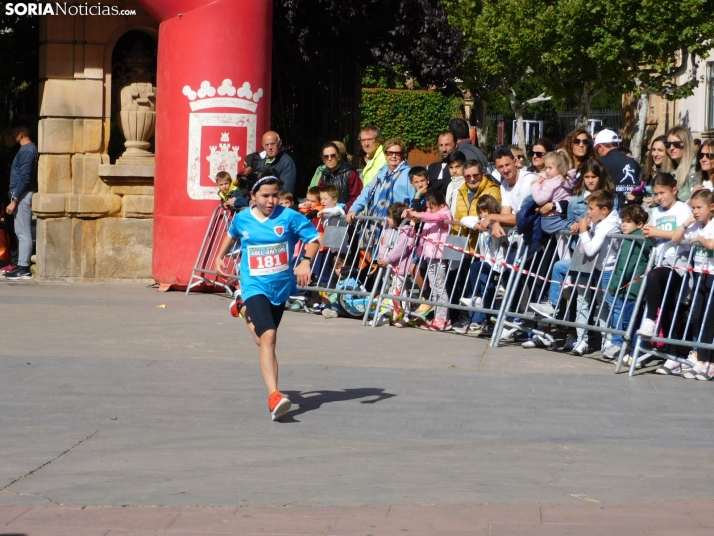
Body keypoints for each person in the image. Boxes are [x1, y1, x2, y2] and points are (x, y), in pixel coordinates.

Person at [215, 169, 320, 421]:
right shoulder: (243, 218)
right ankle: (274, 395)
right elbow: (231, 235)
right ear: (253, 196)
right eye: (264, 196)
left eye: (274, 195)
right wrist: (219, 256)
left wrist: (305, 261)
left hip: (280, 288)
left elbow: (314, 239)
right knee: (270, 336)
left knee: (262, 340)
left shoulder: (290, 217)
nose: (270, 201)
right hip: (253, 285)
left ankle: (240, 309)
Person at [636, 173, 692, 373]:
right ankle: (672, 355)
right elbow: (652, 232)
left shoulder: (683, 209)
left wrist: (658, 233)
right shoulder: (655, 211)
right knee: (667, 308)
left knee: (657, 279)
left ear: (674, 190)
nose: (659, 197)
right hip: (658, 260)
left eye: (663, 193)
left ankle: (650, 319)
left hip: (678, 263)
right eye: (656, 193)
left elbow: (684, 235)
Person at [570, 190, 622, 356]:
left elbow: (591, 249)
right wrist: (581, 226)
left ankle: (610, 341)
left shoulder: (610, 223)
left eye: (591, 209)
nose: (588, 212)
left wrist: (584, 231)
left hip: (608, 270)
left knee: (607, 305)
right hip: (594, 267)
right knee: (583, 298)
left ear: (604, 210)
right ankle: (582, 340)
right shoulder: (601, 219)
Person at [672, 189, 714, 380]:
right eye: (693, 208)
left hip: (712, 275)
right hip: (699, 275)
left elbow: (712, 245)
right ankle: (701, 359)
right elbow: (675, 238)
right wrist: (687, 222)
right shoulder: (695, 224)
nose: (695, 211)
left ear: (711, 208)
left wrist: (701, 240)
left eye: (699, 207)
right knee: (697, 316)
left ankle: (710, 362)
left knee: (710, 319)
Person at [602, 204, 651, 360]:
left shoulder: (632, 240)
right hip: (632, 288)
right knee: (633, 321)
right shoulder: (635, 238)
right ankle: (633, 352)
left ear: (639, 224)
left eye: (628, 221)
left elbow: (626, 266)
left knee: (629, 322)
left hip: (631, 289)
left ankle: (632, 352)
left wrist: (614, 285)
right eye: (623, 221)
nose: (623, 224)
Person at [458, 194, 509, 336]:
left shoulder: (498, 224)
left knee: (478, 270)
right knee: (483, 281)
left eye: (485, 211)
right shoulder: (482, 223)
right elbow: (464, 219)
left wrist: (492, 223)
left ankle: (484, 313)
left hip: (499, 264)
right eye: (480, 212)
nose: (483, 215)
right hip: (486, 262)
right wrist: (477, 224)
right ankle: (480, 308)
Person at [406, 192, 452, 331]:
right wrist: (412, 217)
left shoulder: (445, 215)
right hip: (429, 256)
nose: (428, 211)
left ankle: (443, 319)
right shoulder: (429, 218)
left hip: (439, 257)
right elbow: (423, 238)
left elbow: (437, 217)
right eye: (427, 208)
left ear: (442, 206)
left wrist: (420, 215)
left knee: (440, 288)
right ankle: (437, 317)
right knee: (435, 288)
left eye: (432, 208)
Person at [346, 138, 413, 222]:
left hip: (398, 224)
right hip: (376, 223)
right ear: (385, 155)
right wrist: (354, 209)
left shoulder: (409, 173)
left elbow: (415, 198)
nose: (393, 156)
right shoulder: (382, 172)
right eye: (390, 153)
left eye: (397, 153)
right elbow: (366, 192)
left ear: (402, 155)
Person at [4, 120, 37, 281]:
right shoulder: (26, 150)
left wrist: (14, 199)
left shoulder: (27, 150)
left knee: (23, 232)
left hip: (22, 195)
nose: (13, 135)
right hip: (20, 194)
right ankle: (21, 265)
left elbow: (24, 177)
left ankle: (24, 268)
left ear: (21, 134)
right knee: (20, 231)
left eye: (15, 131)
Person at [479, 147, 537, 238]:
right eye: (501, 167)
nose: (505, 170)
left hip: (540, 235)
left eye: (507, 164)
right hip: (525, 235)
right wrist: (496, 223)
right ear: (496, 168)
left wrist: (491, 217)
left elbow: (520, 218)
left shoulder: (528, 181)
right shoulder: (504, 184)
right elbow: (505, 213)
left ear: (514, 161)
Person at [375, 202, 415, 327]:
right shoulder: (388, 230)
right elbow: (384, 244)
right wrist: (381, 257)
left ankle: (404, 315)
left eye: (390, 217)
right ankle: (391, 315)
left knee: (400, 291)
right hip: (388, 266)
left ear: (397, 219)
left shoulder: (407, 231)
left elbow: (401, 248)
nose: (387, 219)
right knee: (391, 290)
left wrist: (387, 259)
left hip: (400, 266)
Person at [531, 151, 577, 235]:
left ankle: (572, 225)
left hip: (552, 219)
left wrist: (536, 184)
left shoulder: (550, 183)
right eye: (546, 168)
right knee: (563, 243)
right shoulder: (568, 180)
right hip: (566, 215)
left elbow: (539, 199)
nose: (547, 171)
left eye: (550, 168)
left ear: (560, 168)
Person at [593, 128, 642, 206]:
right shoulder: (634, 163)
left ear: (600, 147)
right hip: (632, 209)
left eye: (596, 149)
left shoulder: (600, 163)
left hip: (611, 209)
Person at [316, 142, 362, 211]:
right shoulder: (324, 175)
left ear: (339, 156)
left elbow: (356, 197)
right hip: (328, 215)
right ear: (323, 159)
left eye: (333, 155)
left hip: (347, 216)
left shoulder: (350, 173)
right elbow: (318, 197)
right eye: (326, 156)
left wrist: (341, 211)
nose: (329, 159)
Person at [631, 135, 674, 207]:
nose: (655, 154)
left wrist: (657, 201)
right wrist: (634, 196)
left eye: (660, 150)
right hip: (646, 213)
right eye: (653, 150)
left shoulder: (673, 172)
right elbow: (640, 196)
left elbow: (677, 197)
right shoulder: (645, 171)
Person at [665, 126, 701, 202]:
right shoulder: (670, 169)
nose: (671, 148)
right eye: (668, 144)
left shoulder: (696, 168)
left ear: (687, 144)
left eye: (676, 144)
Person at [427, 131, 456, 195]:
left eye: (447, 145)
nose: (444, 149)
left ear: (455, 145)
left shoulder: (457, 168)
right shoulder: (432, 167)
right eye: (441, 145)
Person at [444, 151, 466, 215]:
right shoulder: (450, 185)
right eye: (451, 167)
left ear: (464, 166)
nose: (454, 171)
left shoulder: (467, 185)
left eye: (457, 167)